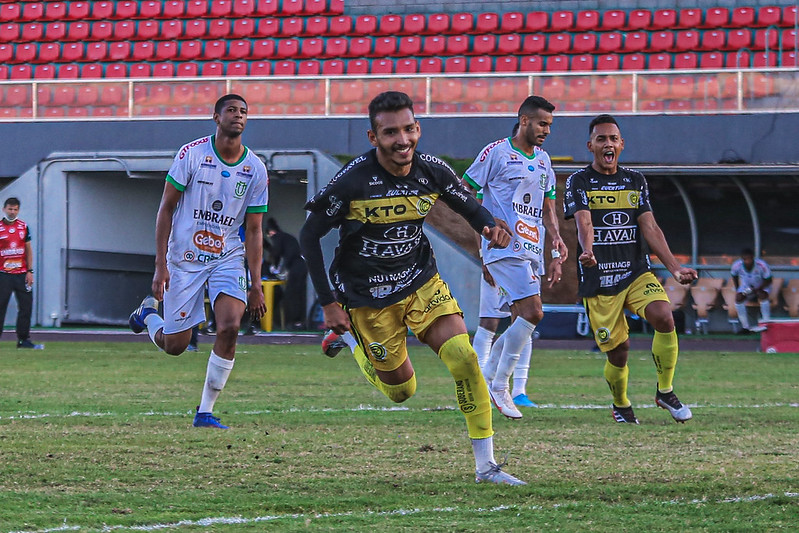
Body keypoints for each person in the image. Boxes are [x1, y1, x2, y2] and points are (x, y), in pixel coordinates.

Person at [300, 91, 525, 485]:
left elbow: (466, 205)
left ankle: (486, 467)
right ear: (374, 138)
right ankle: (351, 341)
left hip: (420, 281)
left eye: (408, 129)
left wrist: (489, 225)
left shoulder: (431, 170)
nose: (401, 140)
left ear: (417, 129)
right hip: (367, 297)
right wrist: (328, 302)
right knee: (401, 392)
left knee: (464, 358)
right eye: (390, 133)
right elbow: (308, 236)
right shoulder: (354, 180)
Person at [128, 94, 268, 429]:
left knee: (230, 326)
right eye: (231, 110)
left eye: (244, 112)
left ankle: (204, 411)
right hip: (185, 258)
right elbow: (166, 209)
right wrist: (160, 265)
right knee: (175, 345)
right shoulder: (192, 154)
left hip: (227, 258)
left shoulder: (255, 169)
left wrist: (257, 284)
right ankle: (148, 316)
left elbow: (254, 228)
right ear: (216, 117)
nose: (238, 116)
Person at [564, 114, 697, 425]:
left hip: (636, 271)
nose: (607, 143)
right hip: (599, 278)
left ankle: (665, 391)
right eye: (601, 139)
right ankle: (621, 404)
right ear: (590, 146)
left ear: (621, 144)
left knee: (664, 316)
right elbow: (584, 220)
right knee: (619, 351)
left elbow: (649, 226)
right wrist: (587, 250)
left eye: (613, 138)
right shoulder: (578, 181)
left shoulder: (635, 180)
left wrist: (675, 269)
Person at [463, 96, 568, 420]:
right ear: (524, 120)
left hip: (531, 249)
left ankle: (494, 377)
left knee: (523, 315)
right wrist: (483, 239)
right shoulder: (495, 152)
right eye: (541, 123)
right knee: (532, 313)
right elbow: (466, 193)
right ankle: (499, 383)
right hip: (502, 247)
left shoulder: (544, 161)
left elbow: (548, 207)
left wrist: (555, 247)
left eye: (549, 125)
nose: (546, 130)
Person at [0, 197, 43, 349]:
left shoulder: (23, 227)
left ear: (18, 210)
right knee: (1, 306)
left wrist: (30, 271)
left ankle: (23, 340)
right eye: (10, 209)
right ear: (4, 209)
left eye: (15, 209)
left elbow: (28, 250)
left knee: (26, 306)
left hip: (21, 274)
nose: (12, 212)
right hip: (3, 274)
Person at [265, 217, 308, 330]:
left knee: (291, 295)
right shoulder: (287, 237)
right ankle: (299, 321)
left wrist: (275, 268)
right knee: (298, 294)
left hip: (296, 268)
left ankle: (293, 322)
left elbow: (277, 253)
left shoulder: (278, 237)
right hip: (301, 266)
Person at [731, 248, 772, 333]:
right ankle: (745, 327)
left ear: (753, 257)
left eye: (749, 259)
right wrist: (738, 289)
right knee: (738, 298)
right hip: (747, 288)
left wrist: (758, 289)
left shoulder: (762, 265)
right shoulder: (736, 265)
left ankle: (766, 323)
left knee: (763, 295)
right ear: (742, 259)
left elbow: (768, 280)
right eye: (745, 259)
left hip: (761, 287)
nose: (747, 261)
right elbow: (734, 276)